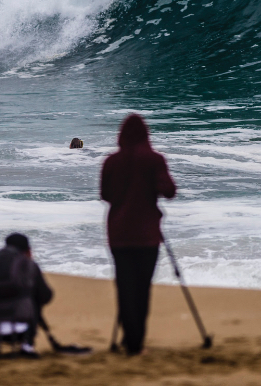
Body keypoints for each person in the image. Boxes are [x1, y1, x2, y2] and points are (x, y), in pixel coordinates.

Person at [100, 114, 176, 356]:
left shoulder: (111, 162)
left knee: (125, 287)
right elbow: (169, 191)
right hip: (147, 235)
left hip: (119, 234)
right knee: (142, 288)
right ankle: (136, 343)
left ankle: (128, 339)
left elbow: (106, 195)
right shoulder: (154, 160)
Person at [0, 232, 53, 358]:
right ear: (28, 250)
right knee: (34, 301)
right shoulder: (28, 265)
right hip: (19, 330)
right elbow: (46, 296)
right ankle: (27, 346)